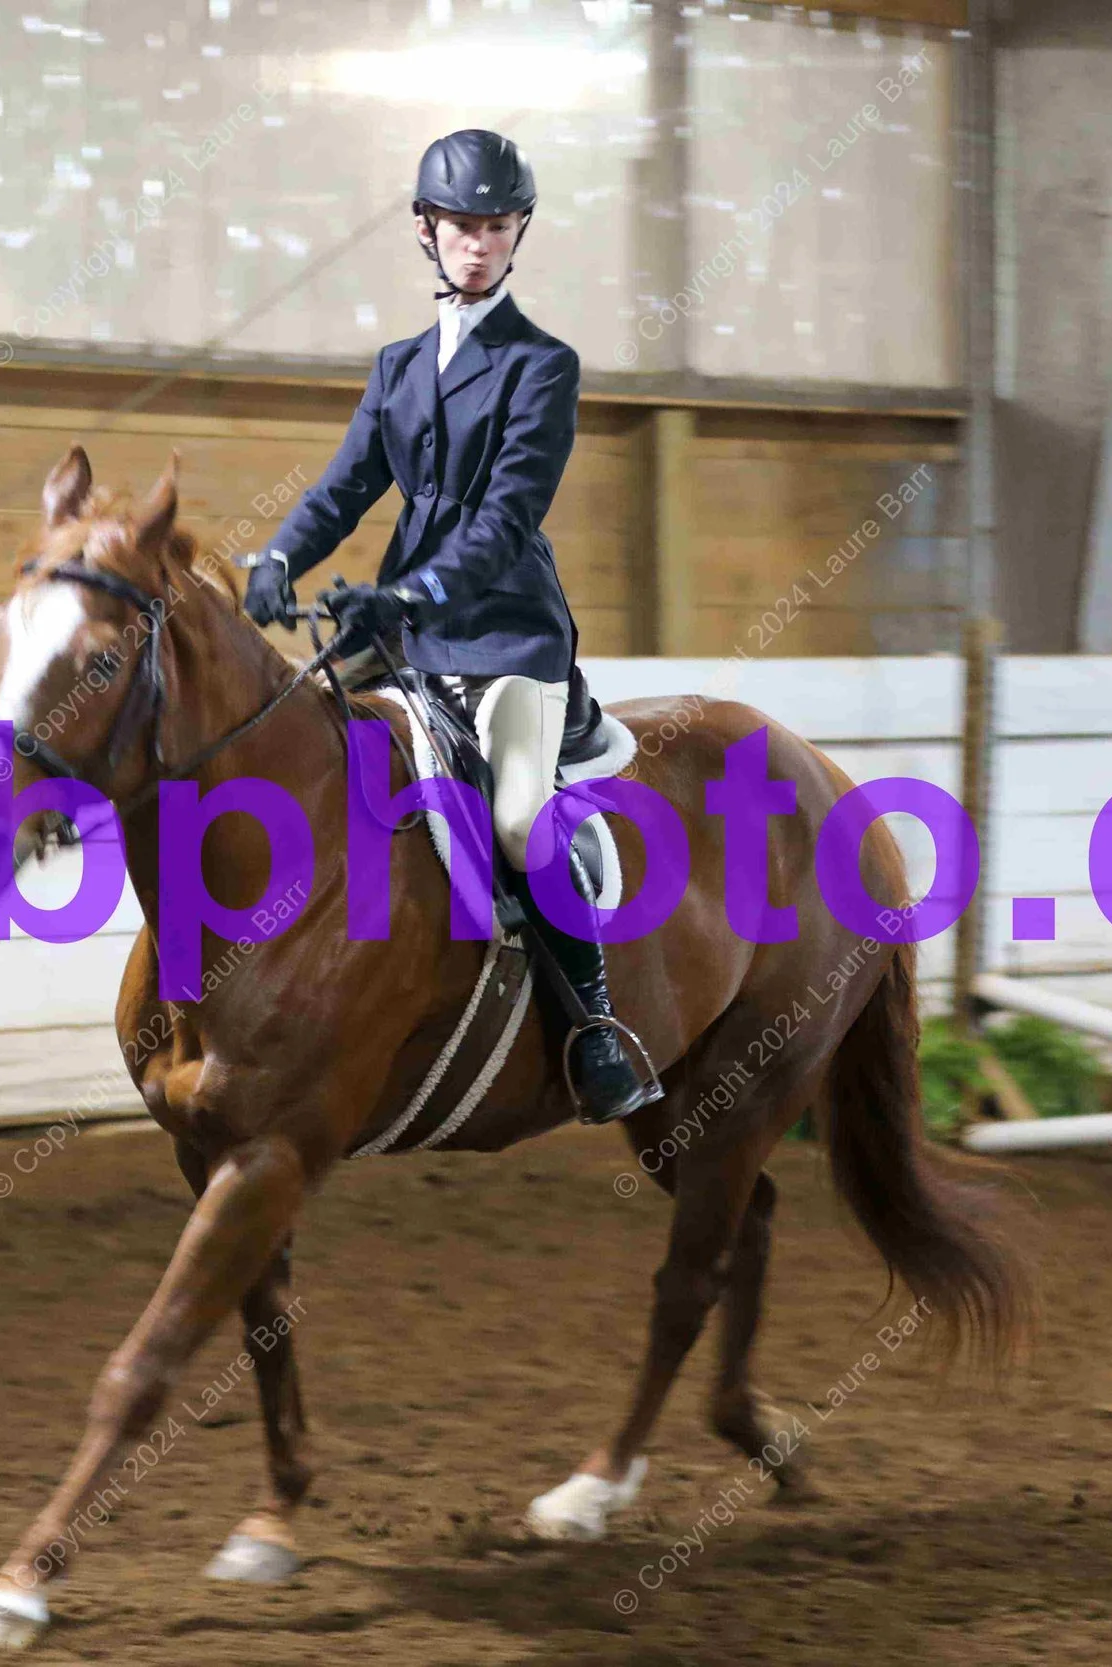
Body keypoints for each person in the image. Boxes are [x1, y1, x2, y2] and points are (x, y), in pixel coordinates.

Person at [245, 128, 660, 1125]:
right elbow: (346, 486)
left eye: (496, 227)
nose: (478, 244)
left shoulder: (541, 365)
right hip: (402, 636)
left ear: (518, 234)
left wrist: (410, 594)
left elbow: (506, 516)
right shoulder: (397, 367)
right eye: (461, 226)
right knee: (289, 747)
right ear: (425, 230)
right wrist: (276, 558)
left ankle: (595, 1026)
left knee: (516, 819)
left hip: (506, 637)